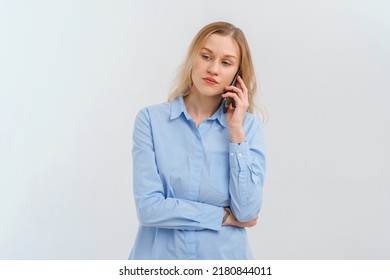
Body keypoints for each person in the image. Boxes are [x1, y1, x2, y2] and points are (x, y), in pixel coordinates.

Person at [129, 21, 266, 260]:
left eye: (226, 62)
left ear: (237, 75)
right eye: (206, 56)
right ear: (193, 58)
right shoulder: (151, 121)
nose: (213, 69)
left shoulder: (247, 128)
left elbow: (247, 212)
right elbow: (148, 209)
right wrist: (220, 216)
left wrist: (235, 131)